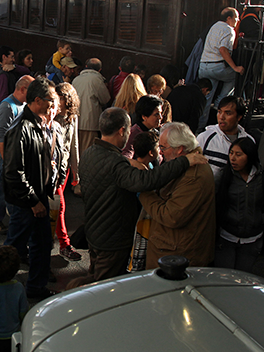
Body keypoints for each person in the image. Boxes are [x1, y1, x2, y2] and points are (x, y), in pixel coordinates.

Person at [68, 108, 207, 288]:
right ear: (121, 131)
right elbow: (146, 181)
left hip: (95, 233)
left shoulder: (89, 153)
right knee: (102, 287)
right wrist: (185, 161)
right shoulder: (115, 163)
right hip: (113, 240)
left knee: (95, 275)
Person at [2, 78, 62, 299]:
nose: (52, 105)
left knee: (42, 244)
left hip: (38, 198)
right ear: (37, 100)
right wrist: (33, 201)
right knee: (12, 250)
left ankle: (36, 288)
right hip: (25, 203)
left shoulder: (37, 123)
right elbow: (13, 172)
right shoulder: (21, 128)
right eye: (50, 100)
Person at [140, 122, 216, 268]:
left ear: (180, 149)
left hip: (175, 255)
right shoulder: (186, 165)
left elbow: (171, 216)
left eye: (163, 148)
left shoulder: (194, 177)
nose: (160, 152)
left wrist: (145, 192)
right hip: (172, 248)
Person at [215, 137, 264, 272]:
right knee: (223, 277)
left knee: (243, 277)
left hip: (253, 240)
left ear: (249, 156)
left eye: (238, 154)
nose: (232, 158)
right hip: (226, 237)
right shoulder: (223, 175)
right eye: (231, 153)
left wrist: (263, 218)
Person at [0, 75, 33, 234]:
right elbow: (1, 136)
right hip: (3, 157)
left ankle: (13, 217)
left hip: (13, 155)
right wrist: (6, 161)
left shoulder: (22, 104)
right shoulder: (7, 106)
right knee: (0, 189)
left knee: (10, 189)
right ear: (22, 89)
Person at [197, 7, 244, 128]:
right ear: (229, 18)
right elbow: (223, 49)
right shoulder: (229, 30)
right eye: (236, 18)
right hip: (217, 66)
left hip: (204, 66)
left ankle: (200, 127)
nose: (238, 20)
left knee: (206, 99)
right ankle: (221, 104)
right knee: (234, 77)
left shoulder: (214, 26)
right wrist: (235, 67)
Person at [52, 82, 81, 262]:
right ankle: (64, 244)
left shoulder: (72, 117)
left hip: (65, 169)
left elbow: (74, 144)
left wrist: (76, 172)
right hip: (53, 170)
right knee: (60, 206)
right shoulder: (51, 116)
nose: (57, 101)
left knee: (57, 207)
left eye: (61, 98)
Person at [197, 96, 254, 185]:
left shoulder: (248, 141)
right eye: (219, 112)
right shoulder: (205, 137)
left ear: (239, 117)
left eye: (228, 113)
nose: (221, 117)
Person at [72, 57, 110, 153]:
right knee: (87, 151)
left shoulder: (76, 79)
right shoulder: (97, 80)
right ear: (99, 70)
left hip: (75, 120)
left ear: (86, 66)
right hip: (91, 122)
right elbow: (105, 99)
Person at [121, 94, 164, 159]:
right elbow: (126, 157)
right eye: (156, 114)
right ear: (144, 116)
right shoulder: (133, 134)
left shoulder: (155, 132)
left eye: (161, 113)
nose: (160, 117)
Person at [0, 45, 18, 111]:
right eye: (12, 57)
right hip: (1, 109)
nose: (13, 60)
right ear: (4, 57)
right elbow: (3, 97)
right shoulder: (2, 75)